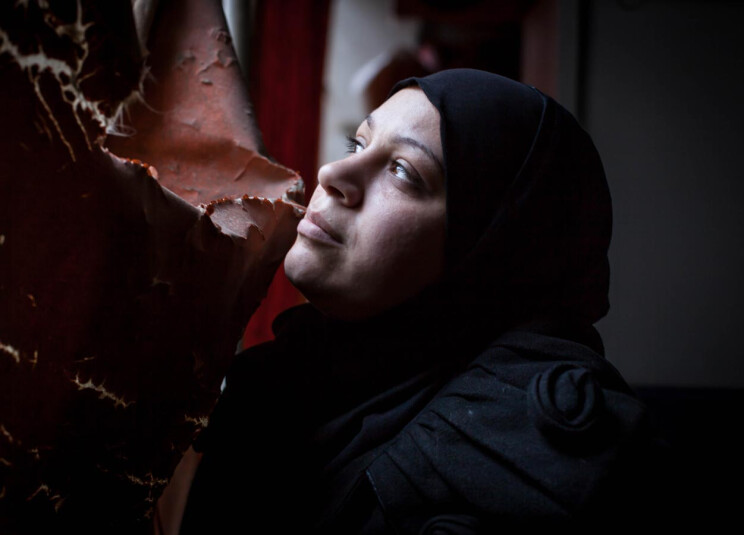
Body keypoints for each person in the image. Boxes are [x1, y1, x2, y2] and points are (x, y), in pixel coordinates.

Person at [177, 68, 659, 533]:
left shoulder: (522, 452)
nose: (331, 172)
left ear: (489, 252)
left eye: (403, 171)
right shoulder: (277, 382)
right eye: (357, 144)